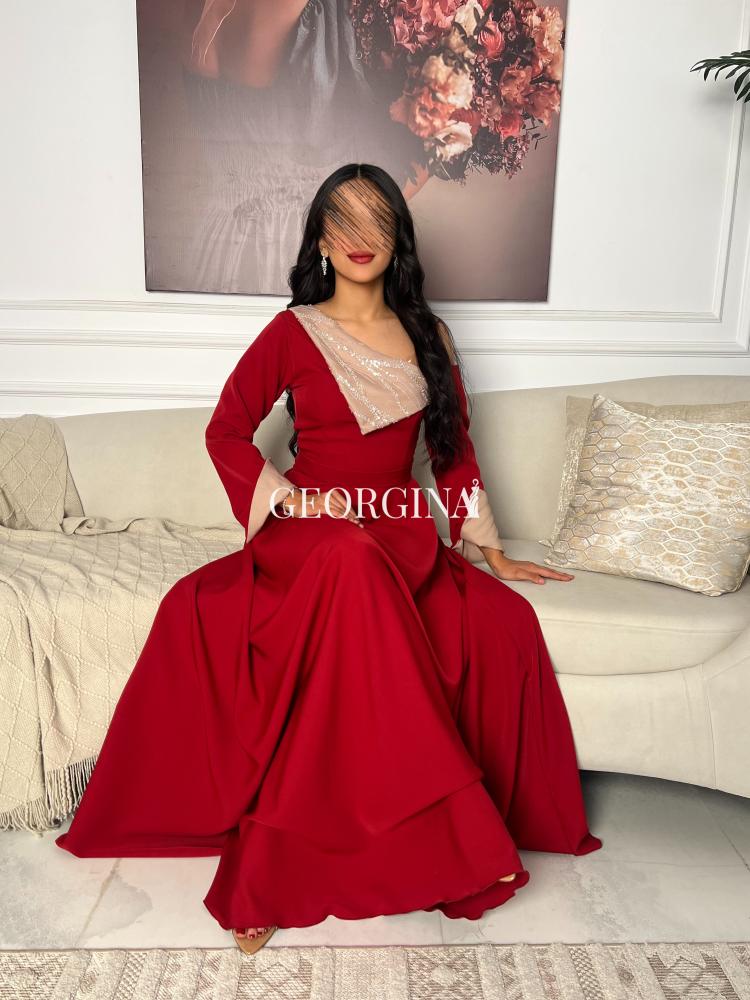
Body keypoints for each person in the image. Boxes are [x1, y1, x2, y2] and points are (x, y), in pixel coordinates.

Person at [55, 162, 602, 954]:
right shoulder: (293, 332)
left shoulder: (429, 337)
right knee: (346, 560)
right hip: (312, 534)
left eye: (375, 219)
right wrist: (292, 498)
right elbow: (226, 431)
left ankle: (408, 837)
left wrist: (490, 549)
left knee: (501, 618)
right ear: (318, 238)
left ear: (398, 236)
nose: (358, 237)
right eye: (340, 221)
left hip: (397, 534)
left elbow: (453, 455)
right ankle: (282, 867)